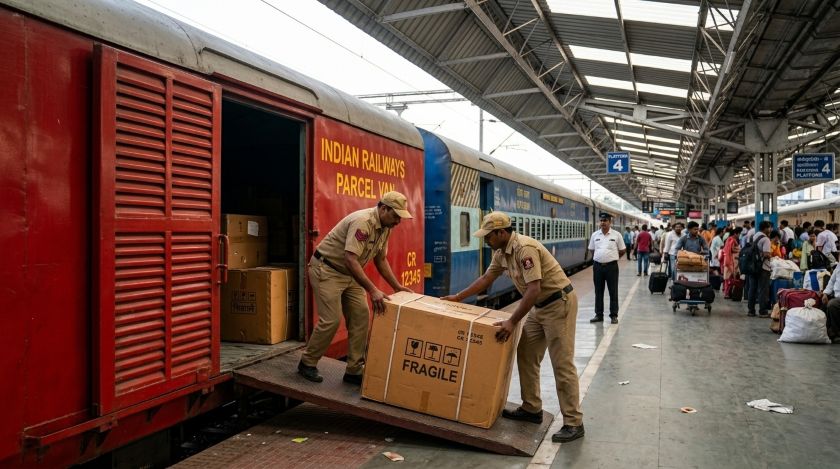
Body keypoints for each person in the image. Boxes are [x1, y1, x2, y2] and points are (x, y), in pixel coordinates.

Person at [441, 212, 585, 443]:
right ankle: (531, 409)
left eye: (488, 236)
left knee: (562, 364)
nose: (485, 240)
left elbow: (533, 288)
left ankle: (573, 422)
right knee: (526, 355)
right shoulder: (500, 253)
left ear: (501, 232)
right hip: (539, 307)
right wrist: (459, 297)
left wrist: (512, 321)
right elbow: (487, 279)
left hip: (559, 304)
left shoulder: (524, 249)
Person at [298, 192, 414, 384]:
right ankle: (307, 363)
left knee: (361, 316)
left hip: (349, 274)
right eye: (395, 216)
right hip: (327, 270)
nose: (397, 222)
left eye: (400, 218)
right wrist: (373, 289)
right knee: (332, 320)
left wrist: (397, 286)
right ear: (383, 209)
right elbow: (350, 259)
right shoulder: (363, 222)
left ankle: (353, 370)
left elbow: (380, 259)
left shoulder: (385, 227)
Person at [588, 213, 626, 324]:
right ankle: (598, 315)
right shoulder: (595, 235)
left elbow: (623, 249)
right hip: (598, 267)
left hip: (612, 267)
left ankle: (614, 315)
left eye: (605, 220)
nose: (603, 222)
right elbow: (592, 249)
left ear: (610, 222)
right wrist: (600, 257)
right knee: (598, 292)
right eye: (601, 220)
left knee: (613, 291)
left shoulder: (616, 235)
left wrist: (613, 257)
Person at [746, 221, 773, 318]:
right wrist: (770, 256)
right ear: (766, 228)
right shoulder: (766, 239)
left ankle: (751, 310)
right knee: (763, 289)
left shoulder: (753, 236)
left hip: (752, 266)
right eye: (770, 228)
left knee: (752, 289)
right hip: (763, 267)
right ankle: (763, 311)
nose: (770, 230)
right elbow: (766, 253)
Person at [820, 266, 840, 344]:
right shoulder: (838, 266)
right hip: (837, 296)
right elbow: (832, 281)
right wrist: (825, 293)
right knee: (825, 305)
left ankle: (836, 334)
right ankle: (832, 333)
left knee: (832, 305)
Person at [721, 227, 742, 299]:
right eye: (739, 234)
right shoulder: (732, 240)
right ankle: (727, 293)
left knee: (727, 277)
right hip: (731, 260)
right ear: (735, 233)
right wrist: (739, 251)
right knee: (730, 277)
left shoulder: (728, 239)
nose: (739, 235)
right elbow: (732, 249)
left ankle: (727, 292)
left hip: (727, 259)